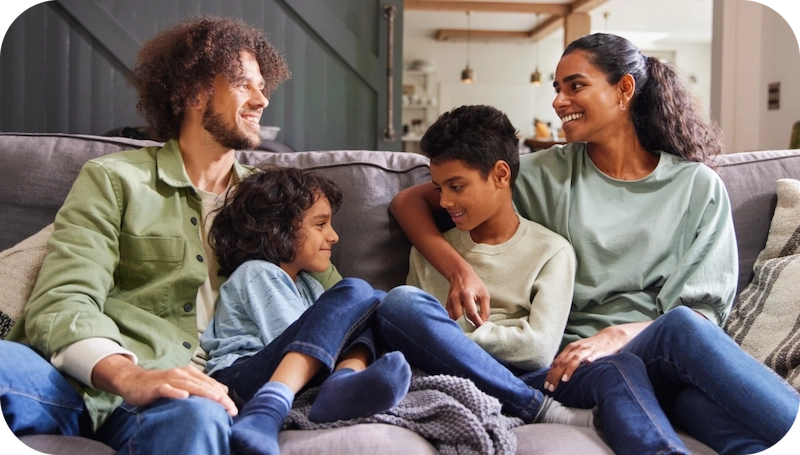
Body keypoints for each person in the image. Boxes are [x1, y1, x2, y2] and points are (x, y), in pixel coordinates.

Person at [390, 33, 800, 455]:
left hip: (660, 352)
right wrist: (459, 269)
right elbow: (410, 201)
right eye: (557, 88)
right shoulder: (542, 173)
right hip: (581, 368)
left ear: (624, 89)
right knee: (709, 414)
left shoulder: (696, 187)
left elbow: (704, 314)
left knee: (688, 344)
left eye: (575, 85)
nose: (559, 101)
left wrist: (614, 335)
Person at [0, 16, 325, 454]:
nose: (262, 99)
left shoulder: (276, 201)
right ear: (192, 92)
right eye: (244, 84)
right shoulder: (114, 180)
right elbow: (63, 299)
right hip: (90, 381)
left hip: (194, 396)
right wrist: (128, 375)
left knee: (195, 413)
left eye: (263, 86)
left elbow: (340, 308)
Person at [406, 104, 690, 455]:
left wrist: (450, 338)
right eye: (438, 188)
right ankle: (534, 408)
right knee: (401, 303)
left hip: (532, 378)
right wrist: (450, 342)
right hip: (450, 377)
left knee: (621, 365)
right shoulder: (431, 252)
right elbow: (414, 335)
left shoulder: (552, 252)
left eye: (456, 186)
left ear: (500, 175)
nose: (445, 201)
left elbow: (537, 350)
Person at [200, 166, 411, 455]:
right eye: (320, 224)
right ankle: (333, 384)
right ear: (277, 231)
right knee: (358, 293)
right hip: (239, 382)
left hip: (280, 376)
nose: (334, 236)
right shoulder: (257, 274)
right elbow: (300, 343)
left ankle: (343, 383)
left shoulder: (309, 287)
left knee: (372, 306)